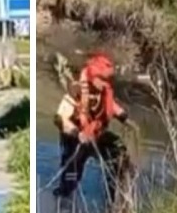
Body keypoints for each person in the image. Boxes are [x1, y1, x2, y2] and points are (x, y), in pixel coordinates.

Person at [52, 53, 137, 204]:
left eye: (108, 79)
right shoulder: (76, 90)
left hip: (97, 134)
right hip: (75, 139)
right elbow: (59, 119)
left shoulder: (104, 89)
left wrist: (124, 118)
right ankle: (64, 207)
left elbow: (110, 105)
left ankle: (116, 197)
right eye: (103, 79)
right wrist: (76, 133)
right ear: (93, 77)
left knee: (119, 154)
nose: (106, 82)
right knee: (70, 178)